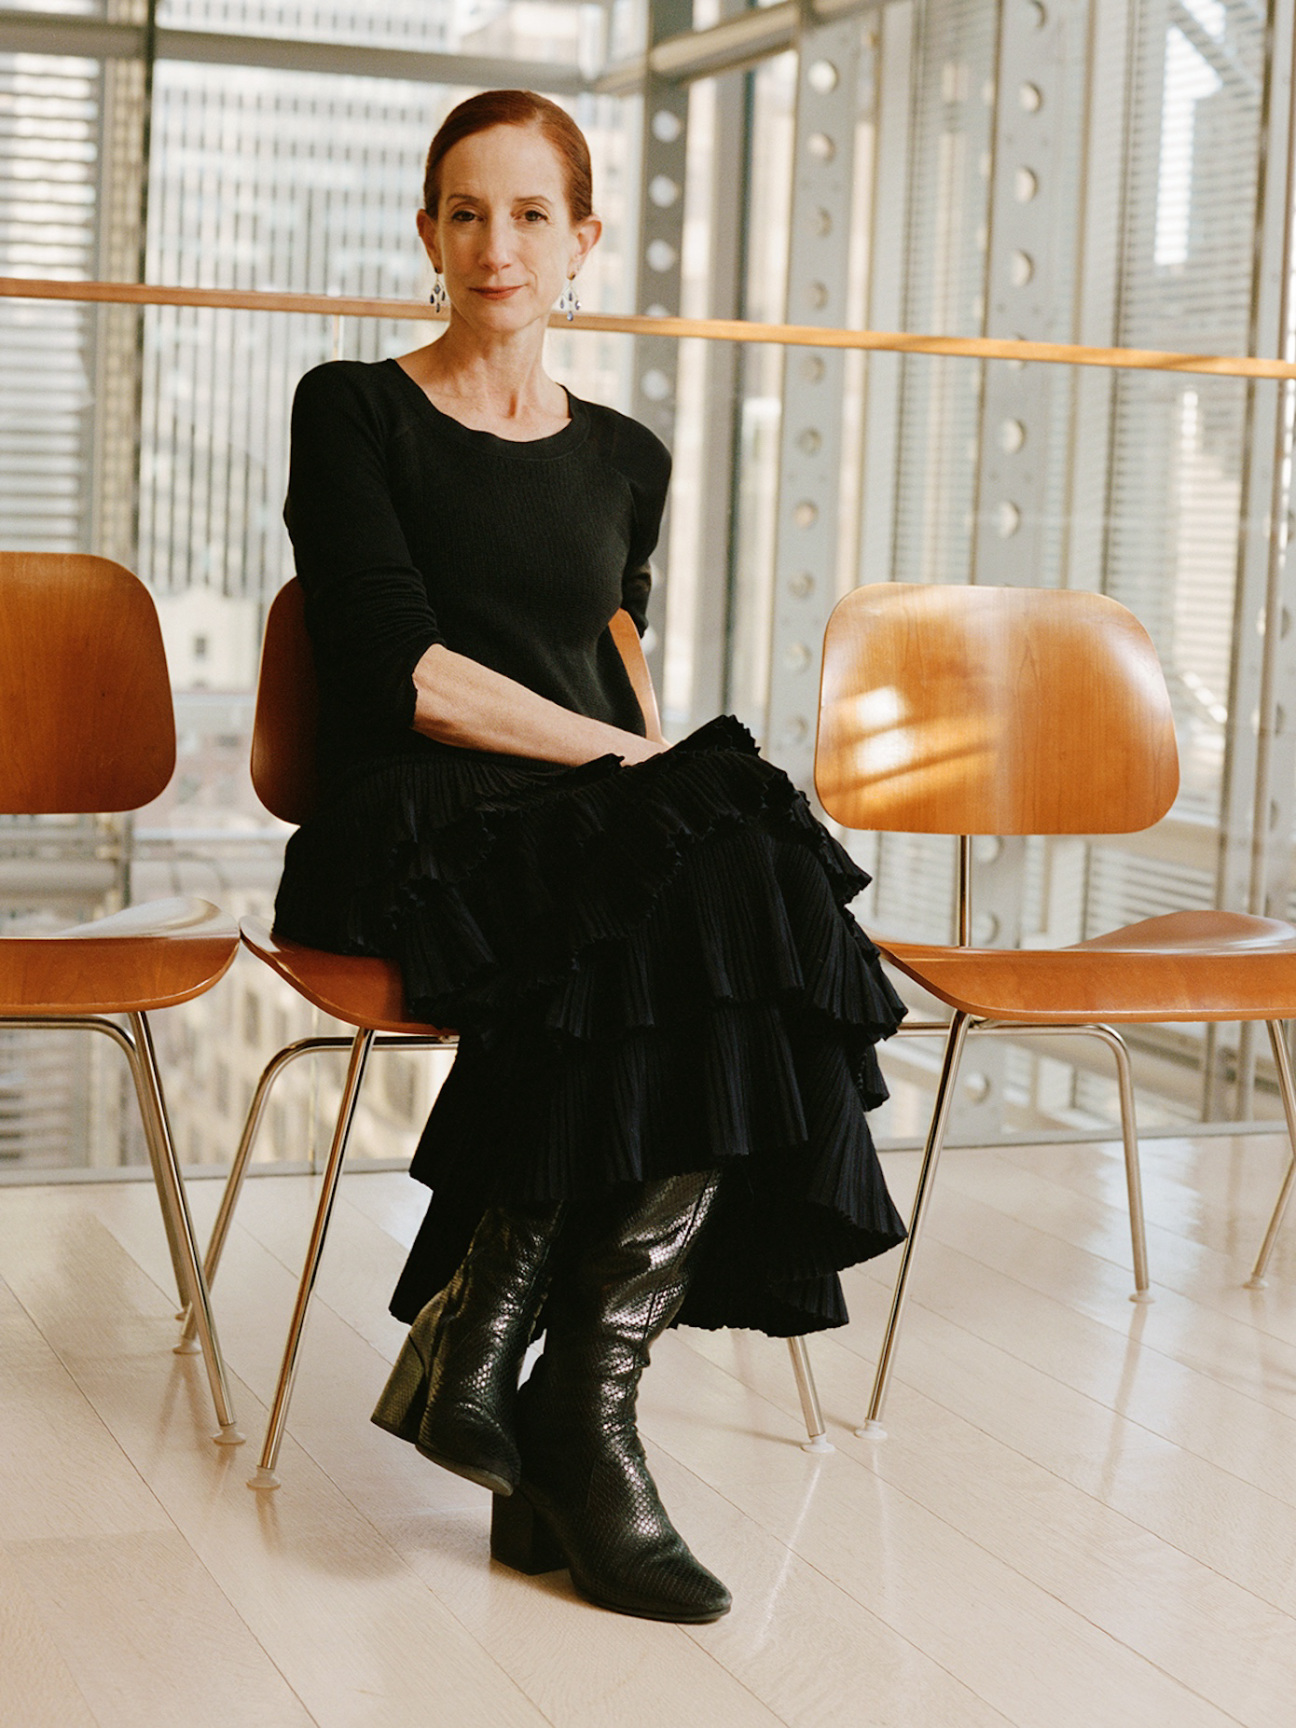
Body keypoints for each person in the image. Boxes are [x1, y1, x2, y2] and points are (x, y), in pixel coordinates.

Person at [273, 88, 907, 1625]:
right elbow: (402, 674)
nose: (497, 243)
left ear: (584, 240)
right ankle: (543, 1390)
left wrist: (652, 774)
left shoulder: (629, 455)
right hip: (403, 822)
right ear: (429, 235)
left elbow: (607, 674)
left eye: (531, 213)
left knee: (736, 871)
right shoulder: (351, 407)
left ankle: (540, 1373)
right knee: (718, 871)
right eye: (466, 212)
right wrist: (642, 769)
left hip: (565, 834)